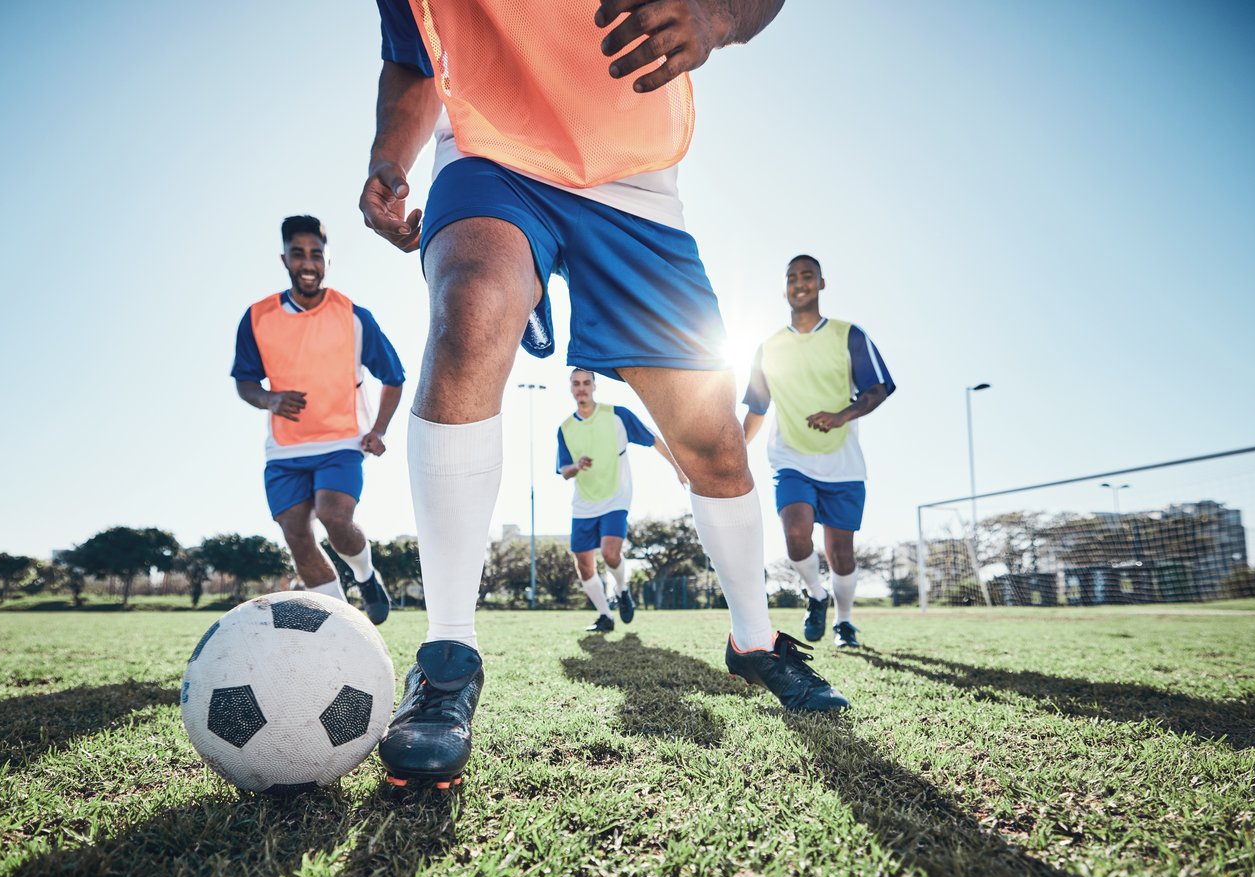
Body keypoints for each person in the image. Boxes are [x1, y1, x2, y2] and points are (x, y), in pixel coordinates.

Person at [363, 0, 848, 789]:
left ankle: (753, 641)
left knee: (714, 446)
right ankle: (447, 655)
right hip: (490, 150)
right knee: (471, 309)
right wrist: (389, 157)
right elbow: (415, 52)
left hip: (632, 181)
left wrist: (715, 16)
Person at [230, 215, 405, 625]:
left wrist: (378, 430)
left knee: (334, 517)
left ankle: (365, 574)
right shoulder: (257, 318)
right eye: (298, 254)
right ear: (284, 259)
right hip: (285, 448)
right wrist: (269, 399)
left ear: (327, 260)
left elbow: (393, 377)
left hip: (342, 441)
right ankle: (343, 625)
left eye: (316, 255)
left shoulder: (354, 316)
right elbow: (244, 381)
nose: (308, 263)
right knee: (296, 534)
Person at [742, 254, 896, 648]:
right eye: (792, 277)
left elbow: (877, 388)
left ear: (821, 284)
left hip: (842, 462)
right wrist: (734, 451)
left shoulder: (849, 335)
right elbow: (757, 408)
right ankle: (815, 593)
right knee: (795, 532)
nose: (799, 282)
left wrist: (843, 414)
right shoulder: (769, 347)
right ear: (784, 288)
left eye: (807, 275)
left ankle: (844, 622)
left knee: (841, 553)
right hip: (791, 457)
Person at [557, 367, 686, 631]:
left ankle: (622, 589)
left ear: (594, 386)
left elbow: (654, 440)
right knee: (583, 564)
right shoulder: (565, 428)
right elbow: (564, 471)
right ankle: (605, 616)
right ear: (571, 388)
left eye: (586, 382)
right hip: (583, 503)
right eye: (576, 383)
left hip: (616, 497)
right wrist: (577, 466)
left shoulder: (617, 416)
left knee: (610, 552)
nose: (581, 387)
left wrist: (678, 468)